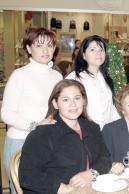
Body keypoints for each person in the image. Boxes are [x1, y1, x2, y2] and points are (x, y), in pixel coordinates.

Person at [19, 80, 111, 194]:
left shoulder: (92, 128)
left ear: (84, 101)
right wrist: (61, 188)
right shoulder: (42, 134)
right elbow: (28, 176)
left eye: (77, 98)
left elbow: (105, 158)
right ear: (55, 103)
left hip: (89, 189)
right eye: (65, 100)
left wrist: (91, 173)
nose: (73, 104)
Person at [0, 28, 63, 194]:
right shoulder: (19, 75)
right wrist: (35, 125)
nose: (45, 50)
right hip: (21, 143)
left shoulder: (57, 76)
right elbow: (6, 113)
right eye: (39, 45)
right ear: (28, 48)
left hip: (48, 143)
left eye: (50, 45)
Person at [66, 35, 119, 129]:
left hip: (106, 132)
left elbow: (110, 108)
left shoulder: (105, 78)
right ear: (83, 55)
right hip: (85, 132)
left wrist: (121, 124)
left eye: (101, 50)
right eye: (93, 50)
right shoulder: (75, 78)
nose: (98, 53)